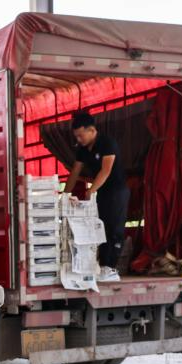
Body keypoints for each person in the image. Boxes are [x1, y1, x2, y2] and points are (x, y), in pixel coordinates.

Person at [62, 110, 130, 283]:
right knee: (101, 228)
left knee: (115, 229)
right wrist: (65, 195)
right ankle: (103, 265)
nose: (79, 139)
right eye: (76, 136)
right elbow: (75, 172)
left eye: (81, 135)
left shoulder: (107, 143)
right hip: (103, 192)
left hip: (117, 190)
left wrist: (91, 190)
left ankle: (111, 268)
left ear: (91, 130)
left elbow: (105, 171)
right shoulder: (83, 149)